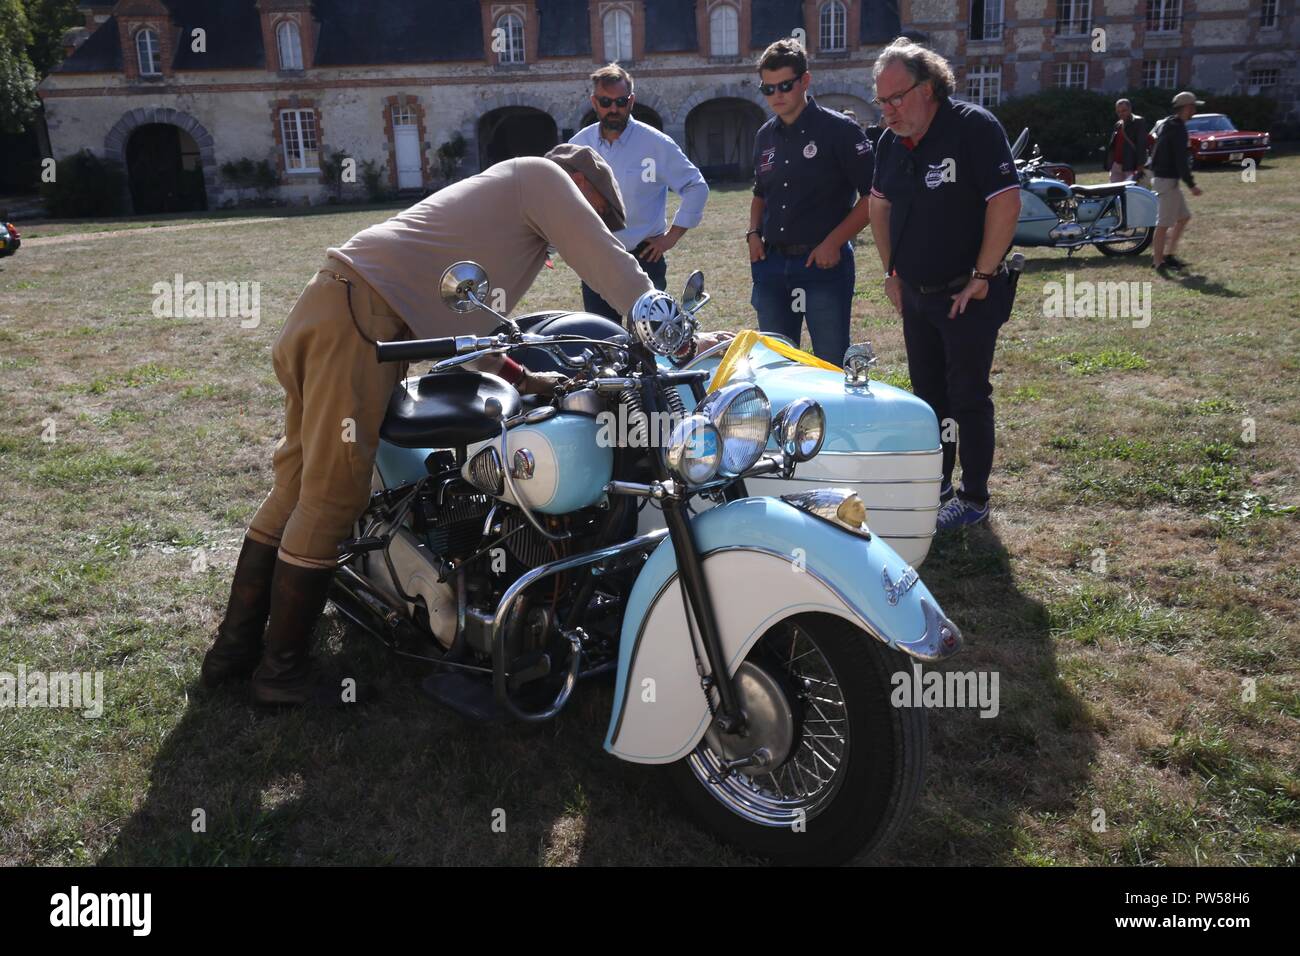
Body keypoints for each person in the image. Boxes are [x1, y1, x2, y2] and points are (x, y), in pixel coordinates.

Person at [200, 145, 653, 707]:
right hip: (359, 323)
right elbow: (611, 265)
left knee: (293, 486)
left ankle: (232, 653)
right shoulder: (538, 177)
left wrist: (527, 379)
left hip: (334, 309)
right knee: (330, 498)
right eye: (597, 214)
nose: (590, 226)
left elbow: (472, 329)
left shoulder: (504, 216)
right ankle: (280, 672)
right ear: (580, 183)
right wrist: (663, 322)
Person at [867, 37, 1021, 531]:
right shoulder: (891, 142)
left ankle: (974, 498)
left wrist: (982, 276)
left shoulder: (972, 128)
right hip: (917, 294)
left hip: (967, 293)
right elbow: (880, 206)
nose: (888, 109)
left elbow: (1005, 201)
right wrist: (891, 272)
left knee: (968, 395)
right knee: (929, 395)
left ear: (929, 87)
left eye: (897, 97)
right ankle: (939, 485)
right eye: (881, 100)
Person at [748, 38, 874, 365]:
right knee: (776, 365)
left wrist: (834, 243)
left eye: (784, 86)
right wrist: (752, 234)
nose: (776, 96)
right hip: (772, 267)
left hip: (823, 267)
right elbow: (760, 192)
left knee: (830, 365)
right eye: (768, 89)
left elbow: (873, 196)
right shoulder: (765, 135)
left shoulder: (840, 131)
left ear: (805, 80)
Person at [569, 64, 709, 319]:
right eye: (605, 101)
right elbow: (562, 200)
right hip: (597, 260)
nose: (614, 108)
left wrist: (671, 237)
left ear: (631, 101)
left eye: (621, 101)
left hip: (644, 259)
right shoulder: (578, 146)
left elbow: (695, 186)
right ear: (594, 102)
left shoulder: (655, 143)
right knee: (604, 342)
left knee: (648, 340)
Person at [1150, 91, 1204, 274]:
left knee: (1183, 217)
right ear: (1187, 107)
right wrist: (1192, 185)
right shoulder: (1178, 128)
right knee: (1163, 223)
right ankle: (1158, 262)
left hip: (1166, 179)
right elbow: (1181, 160)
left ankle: (1169, 255)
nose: (1195, 110)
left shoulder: (1169, 124)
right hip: (1166, 180)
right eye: (1193, 107)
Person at [1107, 98, 1149, 182]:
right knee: (1113, 190)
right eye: (1118, 111)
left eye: (1123, 110)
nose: (1121, 113)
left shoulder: (1139, 122)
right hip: (1116, 165)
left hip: (1130, 164)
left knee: (1130, 192)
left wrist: (1140, 165)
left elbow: (1141, 145)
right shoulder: (1118, 124)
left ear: (1130, 109)